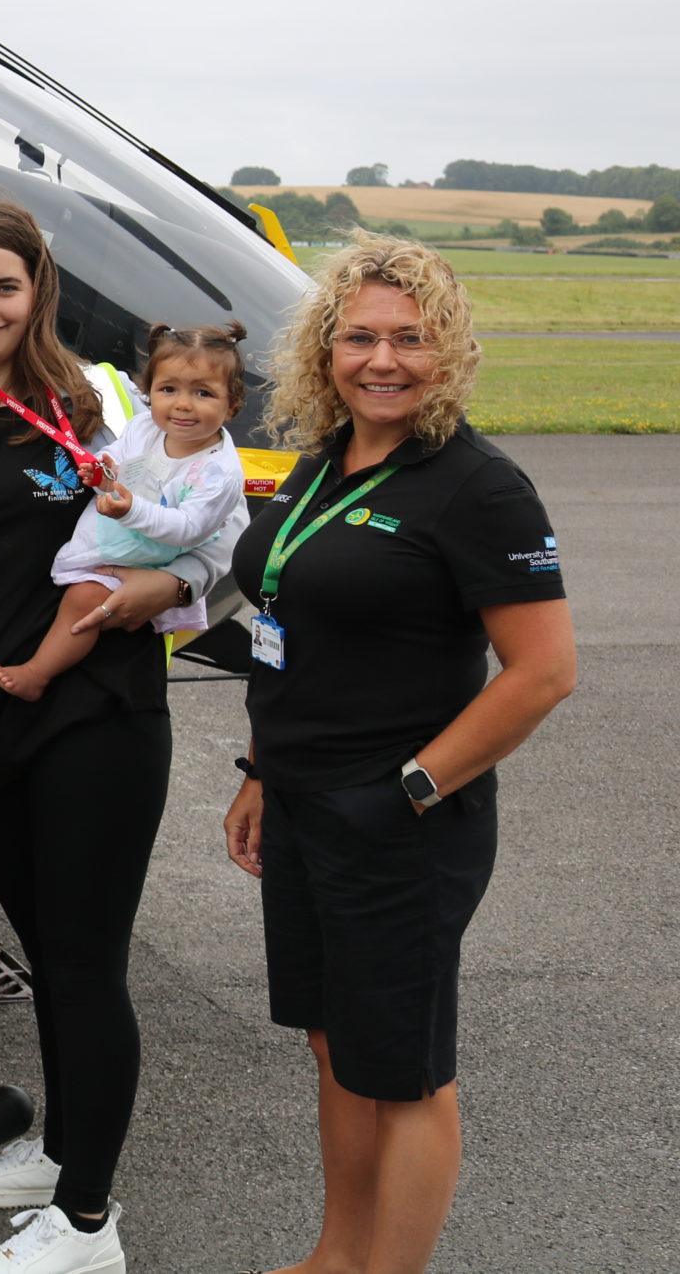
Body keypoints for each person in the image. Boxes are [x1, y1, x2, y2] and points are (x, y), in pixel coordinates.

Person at [0, 201, 246, 1274]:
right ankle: (62, 1148)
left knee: (87, 964)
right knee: (51, 957)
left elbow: (219, 533)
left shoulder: (106, 401)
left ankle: (88, 1221)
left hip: (98, 713)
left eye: (5, 286)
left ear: (37, 291)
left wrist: (167, 585)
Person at [221, 236, 574, 1274]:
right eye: (359, 336)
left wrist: (413, 788)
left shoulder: (476, 488)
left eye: (409, 339)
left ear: (448, 351)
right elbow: (295, 629)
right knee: (337, 1049)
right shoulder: (322, 464)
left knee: (405, 1072)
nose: (382, 359)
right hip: (298, 804)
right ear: (324, 348)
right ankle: (337, 1255)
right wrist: (257, 772)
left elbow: (541, 672)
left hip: (401, 823)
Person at [0, 322, 250, 702]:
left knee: (84, 600)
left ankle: (36, 673)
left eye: (203, 392)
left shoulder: (218, 471)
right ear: (149, 393)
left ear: (233, 404)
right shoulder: (145, 428)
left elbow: (191, 528)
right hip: (126, 543)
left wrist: (131, 510)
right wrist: (100, 471)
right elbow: (119, 466)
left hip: (151, 560)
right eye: (168, 389)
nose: (182, 404)